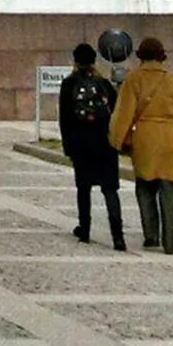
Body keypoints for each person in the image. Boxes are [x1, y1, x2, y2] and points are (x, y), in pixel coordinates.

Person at [109, 35, 173, 254]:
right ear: (162, 56)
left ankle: (151, 236)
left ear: (140, 57)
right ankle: (171, 241)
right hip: (172, 136)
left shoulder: (134, 79)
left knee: (145, 187)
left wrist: (116, 140)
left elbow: (123, 113)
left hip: (145, 137)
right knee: (172, 189)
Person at [56, 43, 124, 250]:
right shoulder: (104, 84)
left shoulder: (69, 84)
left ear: (75, 61)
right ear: (94, 61)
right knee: (110, 189)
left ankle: (84, 229)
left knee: (83, 188)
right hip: (105, 143)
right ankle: (118, 237)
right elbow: (116, 113)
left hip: (81, 143)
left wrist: (68, 146)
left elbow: (65, 118)